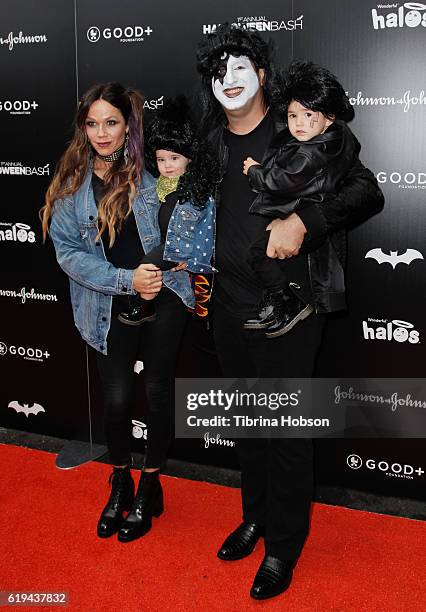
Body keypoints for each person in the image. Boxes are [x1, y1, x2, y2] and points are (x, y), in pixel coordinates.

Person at [196, 25, 384, 600]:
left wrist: (307, 222)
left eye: (240, 67)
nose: (228, 79)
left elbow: (367, 190)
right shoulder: (206, 139)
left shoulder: (299, 129)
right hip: (227, 308)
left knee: (284, 433)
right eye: (218, 70)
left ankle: (283, 545)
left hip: (293, 311)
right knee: (250, 426)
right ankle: (255, 517)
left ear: (262, 75)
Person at [40, 83, 214, 543]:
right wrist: (125, 280)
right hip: (106, 302)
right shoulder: (71, 184)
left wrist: (173, 261)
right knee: (116, 401)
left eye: (111, 122)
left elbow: (196, 215)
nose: (101, 132)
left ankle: (151, 484)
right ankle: (120, 480)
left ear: (128, 124)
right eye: (92, 123)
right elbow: (69, 254)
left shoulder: (158, 170)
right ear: (83, 127)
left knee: (158, 394)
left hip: (168, 295)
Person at [242, 59, 360, 337]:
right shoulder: (331, 140)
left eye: (309, 115)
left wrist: (255, 171)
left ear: (329, 116)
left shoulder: (311, 150)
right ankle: (280, 301)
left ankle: (286, 302)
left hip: (309, 226)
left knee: (258, 253)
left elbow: (284, 180)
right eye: (294, 116)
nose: (300, 123)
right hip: (298, 228)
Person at [117, 96, 216, 326]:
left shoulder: (194, 190)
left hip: (179, 250)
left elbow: (206, 230)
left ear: (189, 159)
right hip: (169, 248)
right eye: (161, 159)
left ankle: (144, 306)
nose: (167, 165)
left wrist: (192, 259)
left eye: (174, 158)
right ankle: (148, 306)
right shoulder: (159, 186)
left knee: (146, 266)